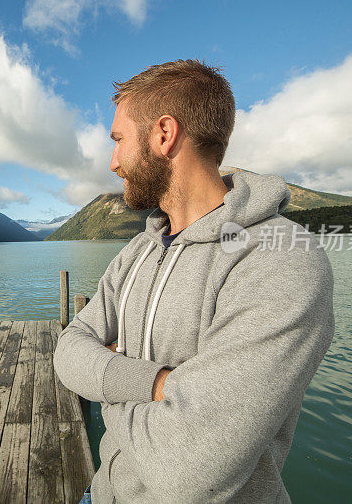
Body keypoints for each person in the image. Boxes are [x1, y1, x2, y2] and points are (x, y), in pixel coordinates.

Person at [53, 60, 335, 503]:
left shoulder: (281, 258)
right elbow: (68, 350)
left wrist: (103, 378)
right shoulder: (137, 253)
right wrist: (159, 385)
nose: (113, 163)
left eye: (119, 140)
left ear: (164, 134)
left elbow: (187, 467)